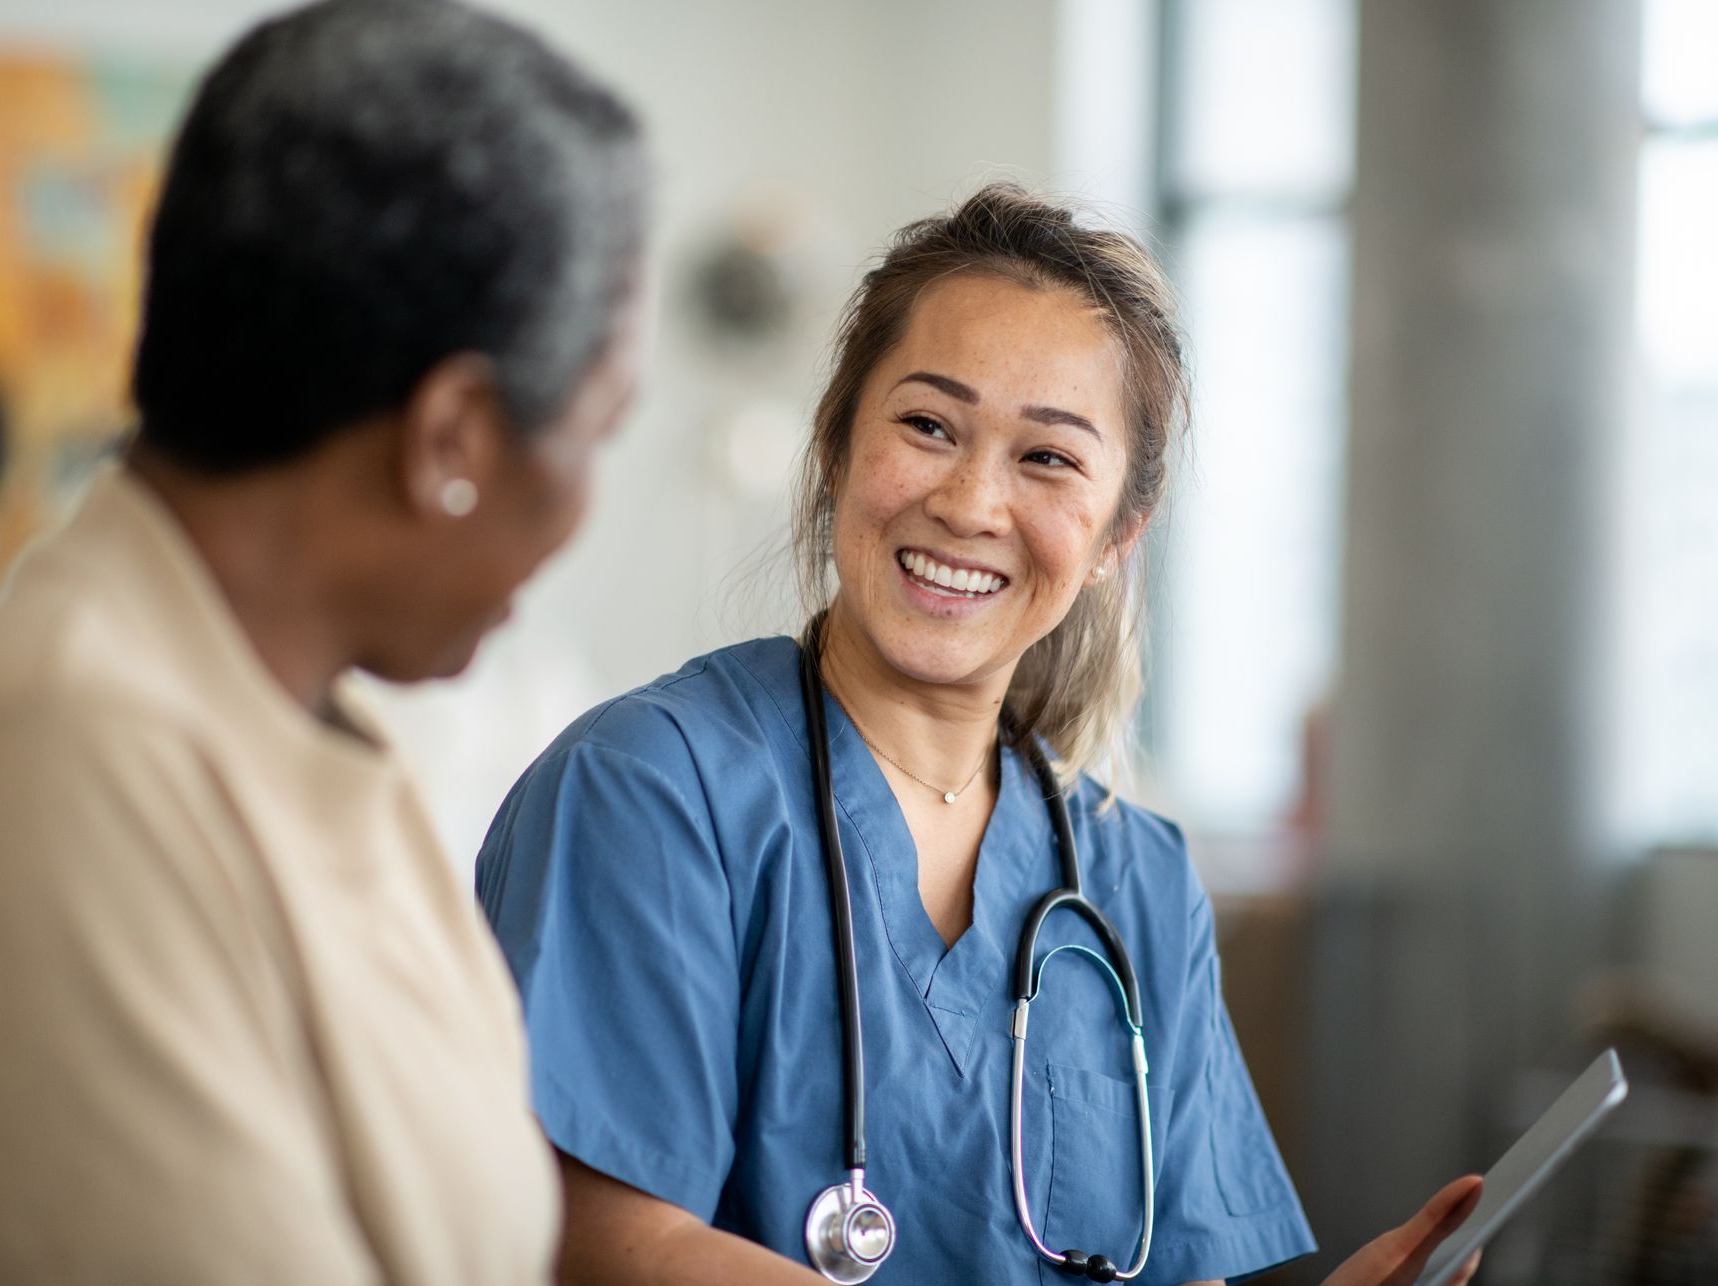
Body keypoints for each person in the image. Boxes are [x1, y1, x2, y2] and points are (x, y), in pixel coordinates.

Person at [477, 185, 1483, 1285]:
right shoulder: (649, 791)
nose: (968, 502)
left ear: (1115, 535)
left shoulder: (1135, 880)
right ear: (837, 446)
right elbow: (612, 1243)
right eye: (927, 425)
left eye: (1047, 458)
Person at [0, 1, 645, 1281]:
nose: (590, 506)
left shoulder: (307, 727)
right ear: (455, 440)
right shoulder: (64, 759)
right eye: (598, 429)